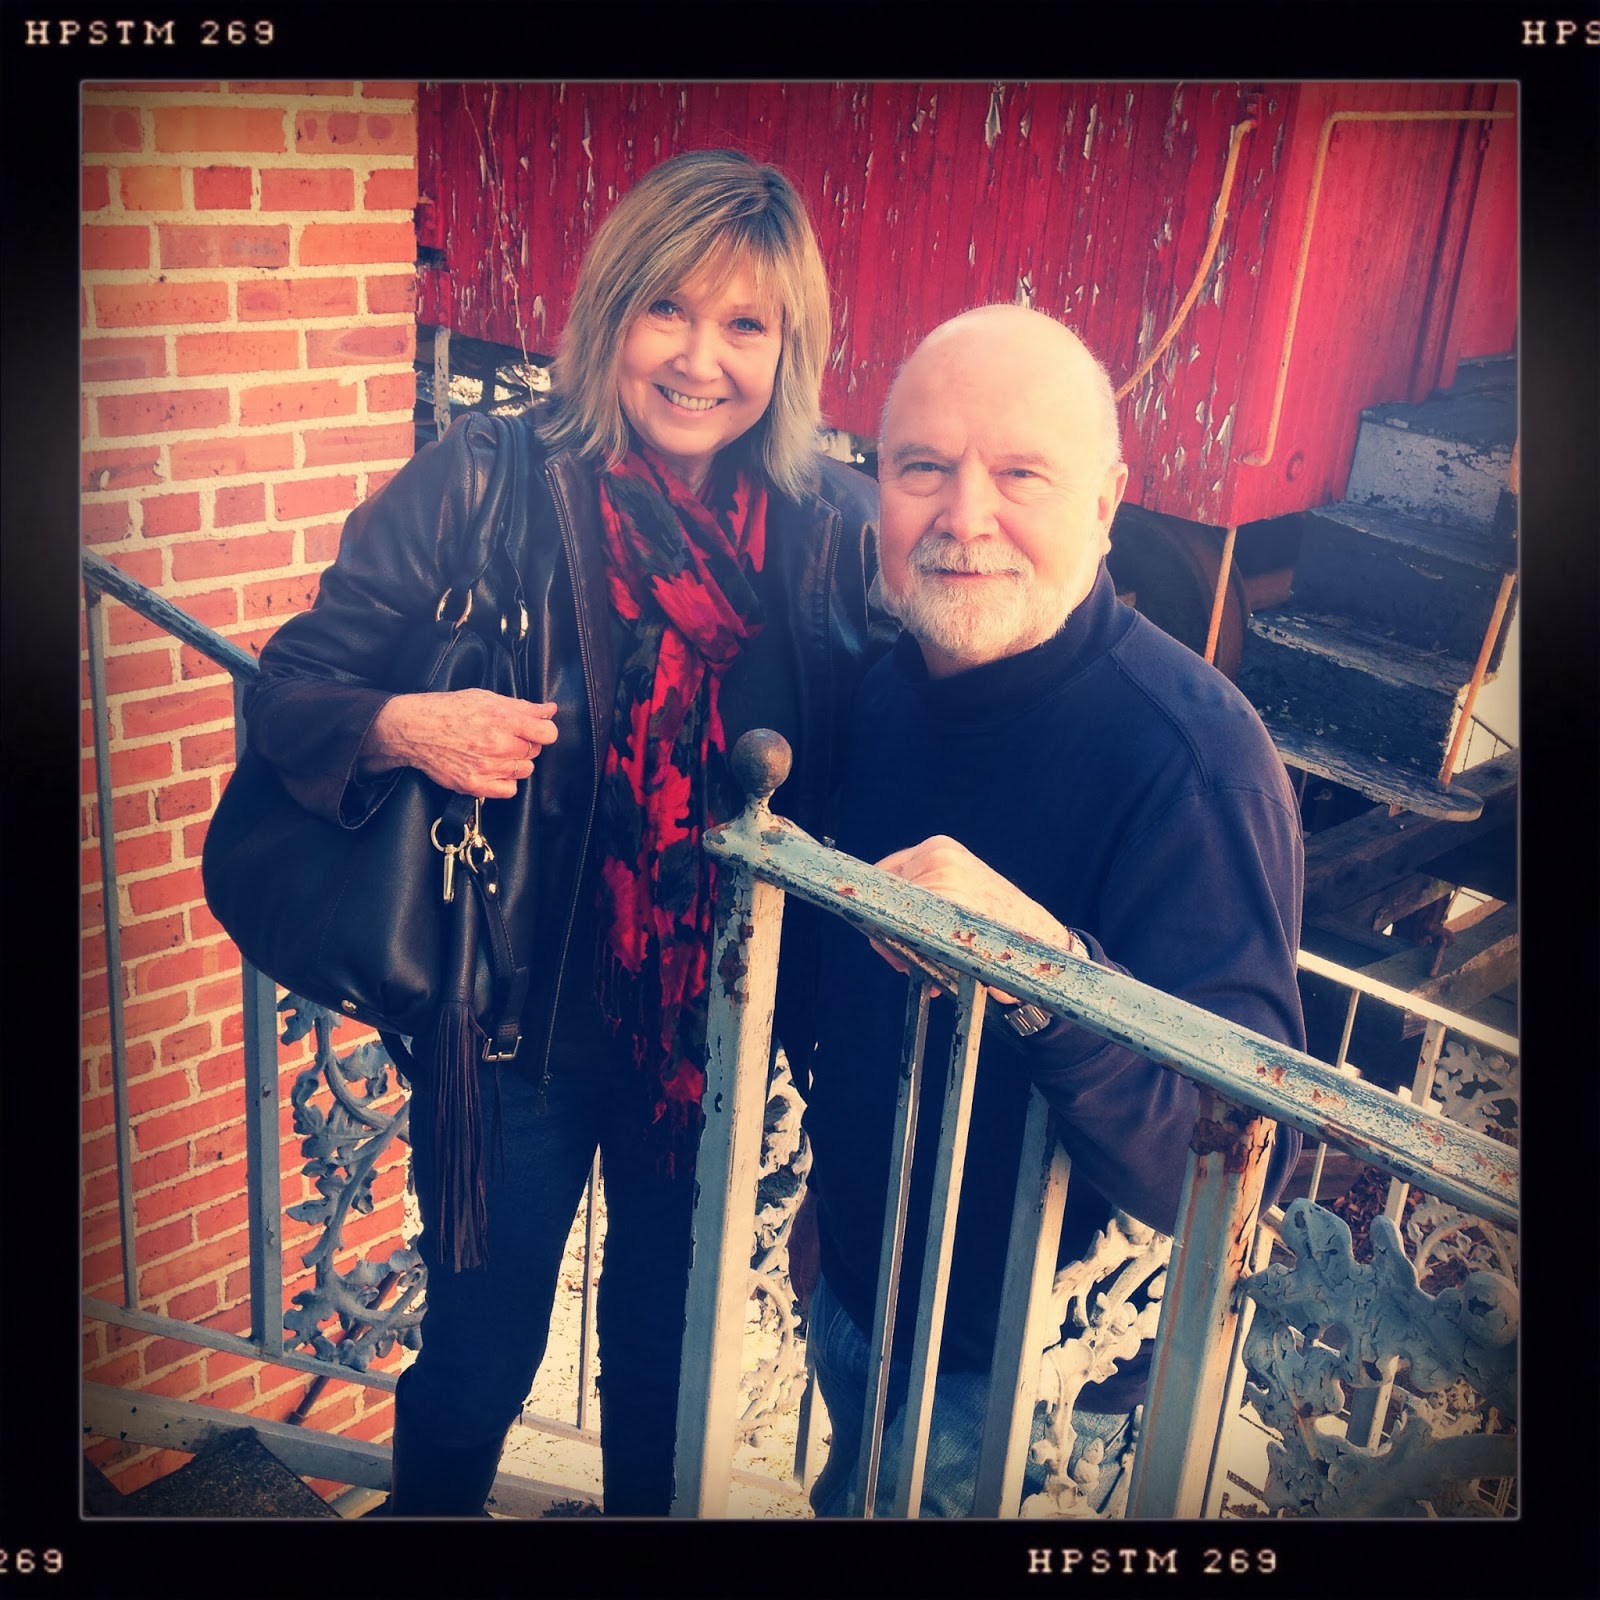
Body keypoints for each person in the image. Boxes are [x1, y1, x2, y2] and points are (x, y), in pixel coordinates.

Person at [243, 149, 885, 1516]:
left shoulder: (825, 532)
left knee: (664, 1366)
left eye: (746, 324)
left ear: (790, 350)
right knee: (480, 1359)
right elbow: (291, 688)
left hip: (711, 1040)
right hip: (507, 1029)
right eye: (669, 309)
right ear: (610, 313)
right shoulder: (482, 480)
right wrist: (403, 724)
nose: (701, 359)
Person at [788, 304, 1306, 1517]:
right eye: (923, 467)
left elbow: (1238, 1165)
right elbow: (853, 1000)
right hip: (859, 1295)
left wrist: (1044, 971)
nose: (964, 515)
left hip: (1040, 1378)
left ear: (1106, 504)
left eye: (1021, 473)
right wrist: (831, 1206)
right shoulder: (884, 693)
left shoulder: (1194, 762)